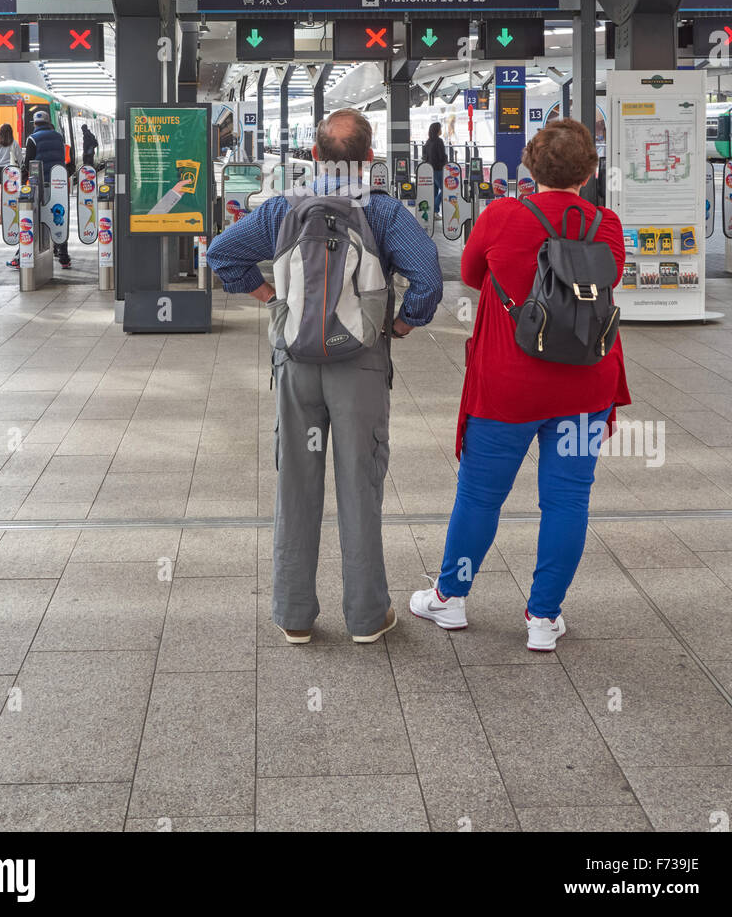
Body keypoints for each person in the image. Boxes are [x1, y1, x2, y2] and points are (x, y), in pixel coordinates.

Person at [206, 109, 443, 645]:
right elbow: (428, 276)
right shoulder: (382, 213)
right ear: (369, 158)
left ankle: (294, 615)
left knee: (296, 481)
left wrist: (274, 301)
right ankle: (366, 616)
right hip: (358, 365)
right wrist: (399, 324)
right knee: (360, 485)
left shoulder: (282, 211)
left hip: (296, 364)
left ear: (313, 156)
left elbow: (222, 254)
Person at [410, 118, 630, 651]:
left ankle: (450, 597)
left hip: (508, 385)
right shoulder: (606, 224)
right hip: (585, 383)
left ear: (530, 164)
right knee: (568, 501)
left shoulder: (503, 215)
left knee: (481, 498)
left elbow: (470, 274)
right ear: (590, 170)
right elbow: (608, 281)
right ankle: (543, 617)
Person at [9, 110, 73, 269]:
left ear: (35, 124)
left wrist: (23, 182)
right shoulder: (59, 137)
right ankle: (63, 256)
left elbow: (28, 163)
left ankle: (20, 255)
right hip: (58, 183)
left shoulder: (32, 139)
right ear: (48, 122)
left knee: (35, 217)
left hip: (40, 185)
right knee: (59, 216)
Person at [420, 120, 448, 214]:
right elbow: (441, 156)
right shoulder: (439, 141)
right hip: (438, 169)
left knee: (434, 192)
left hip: (430, 169)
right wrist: (446, 160)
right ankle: (435, 209)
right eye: (440, 128)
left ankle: (432, 212)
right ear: (437, 130)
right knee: (445, 190)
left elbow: (424, 156)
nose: (441, 130)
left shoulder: (428, 142)